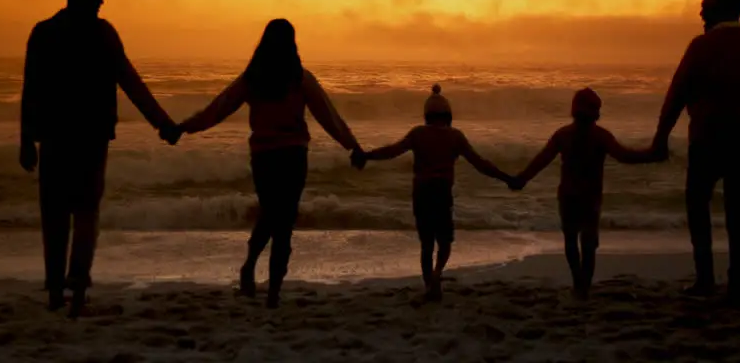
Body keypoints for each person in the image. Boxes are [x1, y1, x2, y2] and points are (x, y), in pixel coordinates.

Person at [19, 0, 181, 318]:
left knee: (56, 216)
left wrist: (26, 138)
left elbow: (31, 89)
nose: (103, 0)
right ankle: (76, 290)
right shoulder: (102, 35)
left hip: (56, 137)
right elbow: (131, 83)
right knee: (85, 213)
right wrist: (163, 123)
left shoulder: (45, 33)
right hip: (89, 139)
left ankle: (57, 295)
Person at [178, 19, 362, 308]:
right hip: (290, 156)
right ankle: (266, 283)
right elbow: (329, 117)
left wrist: (183, 128)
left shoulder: (256, 78)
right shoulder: (297, 78)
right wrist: (352, 146)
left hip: (266, 156)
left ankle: (259, 275)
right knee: (282, 221)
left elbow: (218, 109)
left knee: (273, 216)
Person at [651, 0, 740, 302]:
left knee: (698, 207)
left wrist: (661, 138)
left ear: (718, 7)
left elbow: (676, 94)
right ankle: (738, 284)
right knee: (739, 216)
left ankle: (705, 279)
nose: (700, 9)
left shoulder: (701, 46)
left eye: (705, 4)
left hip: (709, 140)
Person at [350, 84, 515, 302]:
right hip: (441, 192)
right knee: (444, 242)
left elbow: (392, 151)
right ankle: (437, 274)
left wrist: (367, 156)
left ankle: (429, 286)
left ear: (427, 115)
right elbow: (480, 164)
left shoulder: (418, 134)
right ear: (448, 115)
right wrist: (507, 178)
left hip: (421, 192)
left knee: (426, 243)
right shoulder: (455, 137)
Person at [512, 87, 662, 299]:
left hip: (571, 195)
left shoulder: (564, 135)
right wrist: (651, 155)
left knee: (573, 240)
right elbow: (624, 156)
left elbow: (541, 161)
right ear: (595, 113)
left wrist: (522, 178)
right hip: (587, 196)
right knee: (587, 243)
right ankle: (583, 285)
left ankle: (579, 283)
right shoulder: (600, 136)